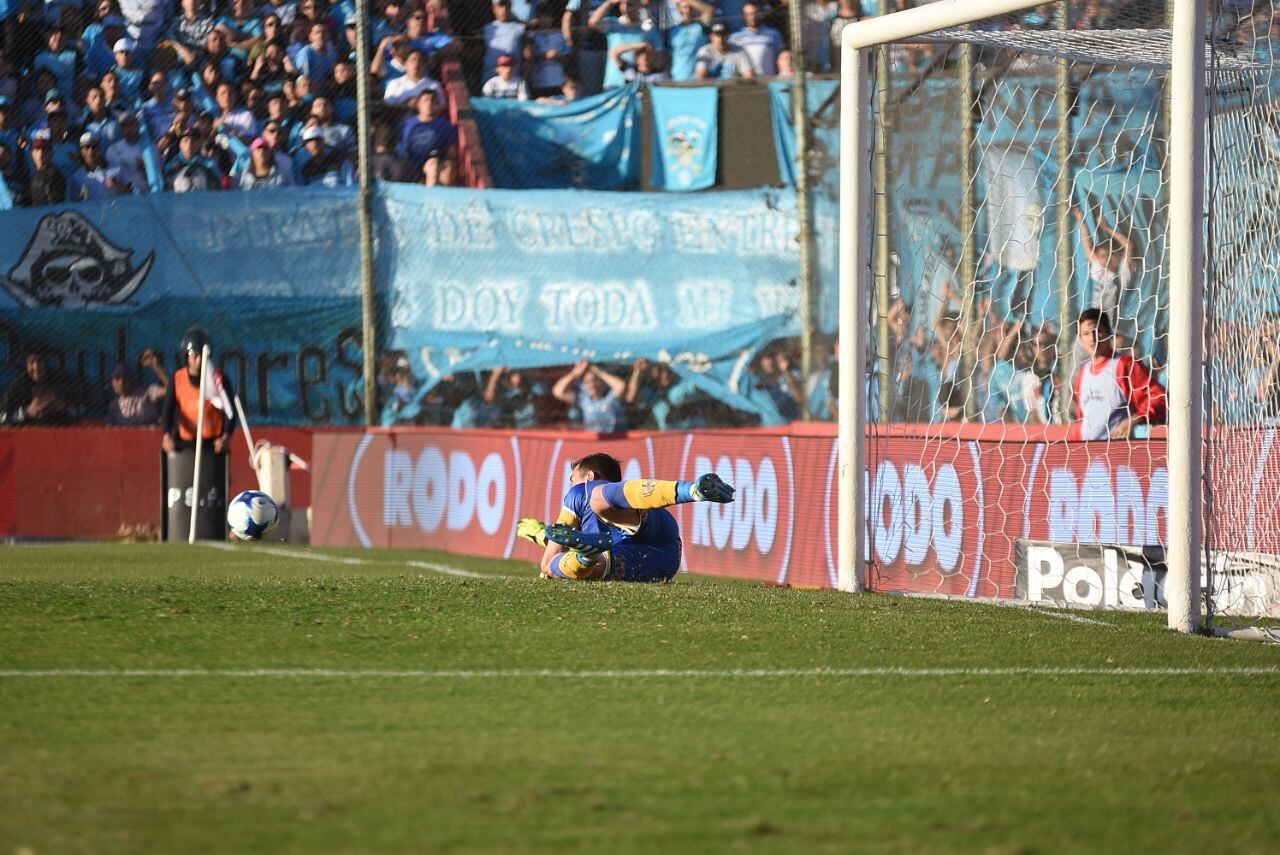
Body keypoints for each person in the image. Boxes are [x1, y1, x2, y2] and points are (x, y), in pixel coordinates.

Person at [515, 452, 734, 581]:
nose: (570, 484)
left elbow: (548, 563)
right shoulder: (589, 525)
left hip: (644, 525)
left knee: (597, 499)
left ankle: (693, 491)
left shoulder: (580, 494)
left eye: (572, 478)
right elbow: (569, 542)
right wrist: (543, 535)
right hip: (664, 558)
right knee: (597, 565)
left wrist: (544, 535)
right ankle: (586, 558)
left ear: (590, 476)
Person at [1072, 308, 1165, 440]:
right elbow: (1083, 420)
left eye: (1097, 331)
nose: (1093, 338)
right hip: (1088, 454)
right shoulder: (1083, 372)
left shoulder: (1124, 365)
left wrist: (1134, 419)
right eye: (1086, 334)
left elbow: (1159, 397)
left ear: (1109, 333)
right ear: (1080, 339)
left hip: (1116, 454)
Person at [160, 326, 236, 455]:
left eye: (203, 356)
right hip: (186, 443)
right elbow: (167, 410)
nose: (199, 360)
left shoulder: (218, 379)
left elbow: (230, 412)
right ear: (187, 356)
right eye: (195, 356)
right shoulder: (178, 379)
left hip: (212, 445)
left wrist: (226, 437)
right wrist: (167, 435)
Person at [0, 346, 83, 425]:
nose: (36, 367)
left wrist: (64, 407)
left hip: (61, 432)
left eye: (40, 361)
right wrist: (27, 412)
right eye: (31, 362)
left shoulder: (62, 381)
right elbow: (2, 417)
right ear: (26, 364)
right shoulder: (19, 385)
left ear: (46, 362)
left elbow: (85, 410)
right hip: (28, 433)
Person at [552, 359, 628, 432]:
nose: (592, 385)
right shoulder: (583, 399)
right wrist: (574, 374)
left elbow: (621, 386)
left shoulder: (611, 397)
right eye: (588, 382)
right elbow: (558, 392)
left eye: (595, 380)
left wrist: (598, 371)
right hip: (595, 441)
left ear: (602, 381)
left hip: (615, 440)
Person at [728, 2, 785, 77]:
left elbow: (781, 57)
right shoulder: (734, 37)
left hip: (768, 79)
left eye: (755, 13)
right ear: (744, 16)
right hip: (745, 81)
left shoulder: (773, 34)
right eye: (748, 14)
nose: (753, 17)